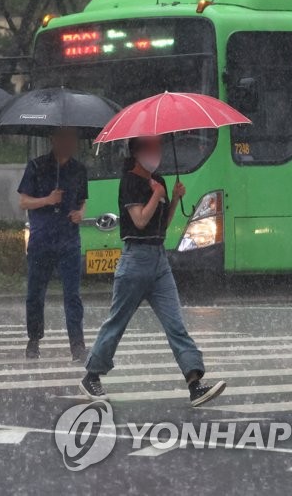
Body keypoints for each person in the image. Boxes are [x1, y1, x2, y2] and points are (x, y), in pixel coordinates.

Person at [79, 136, 226, 407]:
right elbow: (140, 220)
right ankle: (92, 376)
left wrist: (174, 200)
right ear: (136, 151)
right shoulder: (130, 182)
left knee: (175, 324)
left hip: (159, 260)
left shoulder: (160, 179)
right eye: (150, 147)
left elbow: (161, 224)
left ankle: (194, 383)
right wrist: (157, 194)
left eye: (158, 147)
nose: (156, 152)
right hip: (135, 259)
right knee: (117, 322)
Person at [17, 127, 87, 361]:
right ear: (53, 139)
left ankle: (77, 344)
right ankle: (34, 339)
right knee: (35, 293)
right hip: (42, 239)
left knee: (72, 295)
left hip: (69, 240)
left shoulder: (79, 170)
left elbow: (82, 201)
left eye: (72, 138)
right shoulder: (36, 166)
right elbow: (24, 202)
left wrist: (80, 214)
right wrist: (47, 200)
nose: (69, 142)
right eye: (64, 138)